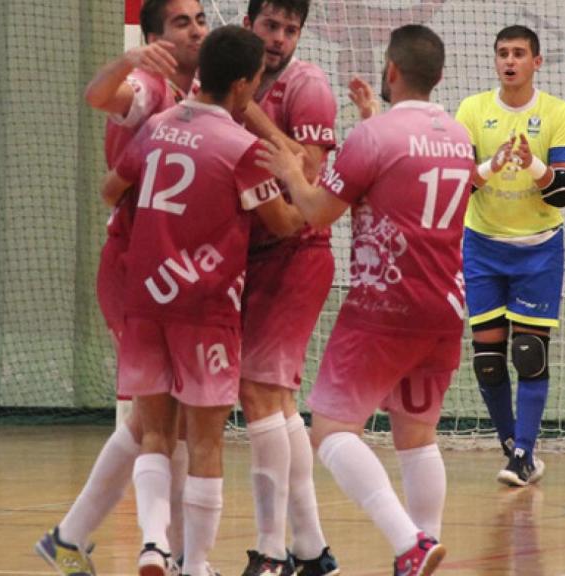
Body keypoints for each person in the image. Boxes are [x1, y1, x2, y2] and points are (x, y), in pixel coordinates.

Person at [257, 24, 473, 576]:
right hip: (445, 307)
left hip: (384, 305)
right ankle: (426, 547)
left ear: (392, 71)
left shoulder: (372, 140)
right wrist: (370, 119)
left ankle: (410, 543)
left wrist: (287, 168)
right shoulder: (457, 135)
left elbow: (317, 210)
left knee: (330, 428)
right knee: (417, 436)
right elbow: (403, 169)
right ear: (439, 77)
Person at [103, 25, 304, 576]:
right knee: (206, 443)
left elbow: (109, 190)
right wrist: (295, 173)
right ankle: (196, 566)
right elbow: (285, 223)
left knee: (155, 433)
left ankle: (152, 546)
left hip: (144, 299)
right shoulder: (242, 149)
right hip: (205, 308)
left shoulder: (160, 124)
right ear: (242, 85)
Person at [34, 2, 207, 574]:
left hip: (181, 273)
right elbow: (97, 96)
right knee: (163, 420)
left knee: (165, 419)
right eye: (182, 22)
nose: (197, 28)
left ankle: (73, 536)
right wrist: (129, 58)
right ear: (155, 36)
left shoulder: (203, 90)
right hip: (136, 268)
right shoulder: (145, 87)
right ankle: (172, 552)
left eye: (201, 17)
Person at [236, 1, 339, 575]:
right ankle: (313, 551)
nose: (278, 39)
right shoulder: (230, 74)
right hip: (249, 255)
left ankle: (271, 550)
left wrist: (250, 112)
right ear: (250, 24)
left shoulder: (308, 84)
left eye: (290, 29)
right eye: (270, 26)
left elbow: (308, 179)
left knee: (257, 395)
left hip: (296, 252)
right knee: (275, 403)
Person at [454, 24, 565, 487]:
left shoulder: (556, 113)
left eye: (520, 53)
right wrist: (494, 163)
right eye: (503, 53)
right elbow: (459, 183)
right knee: (488, 359)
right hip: (483, 245)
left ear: (537, 62)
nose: (510, 61)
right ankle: (515, 451)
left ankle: (525, 449)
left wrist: (532, 164)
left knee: (529, 353)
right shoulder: (472, 110)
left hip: (538, 249)